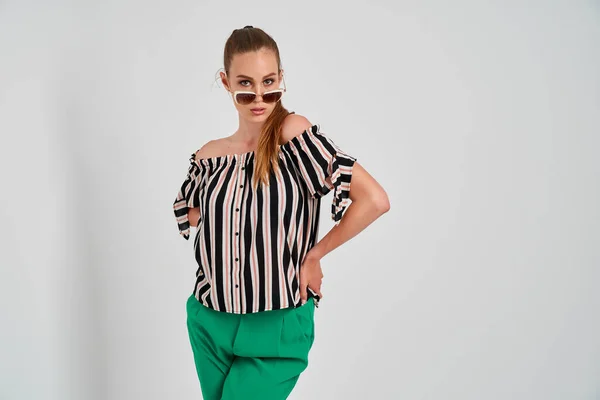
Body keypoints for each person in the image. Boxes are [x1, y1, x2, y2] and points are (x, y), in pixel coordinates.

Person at [172, 25, 390, 400]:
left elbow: (374, 200)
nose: (259, 96)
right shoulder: (209, 156)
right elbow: (194, 217)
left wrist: (315, 254)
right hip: (210, 321)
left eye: (269, 82)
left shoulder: (294, 134)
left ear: (281, 78)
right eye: (245, 84)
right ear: (225, 83)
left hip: (278, 323)